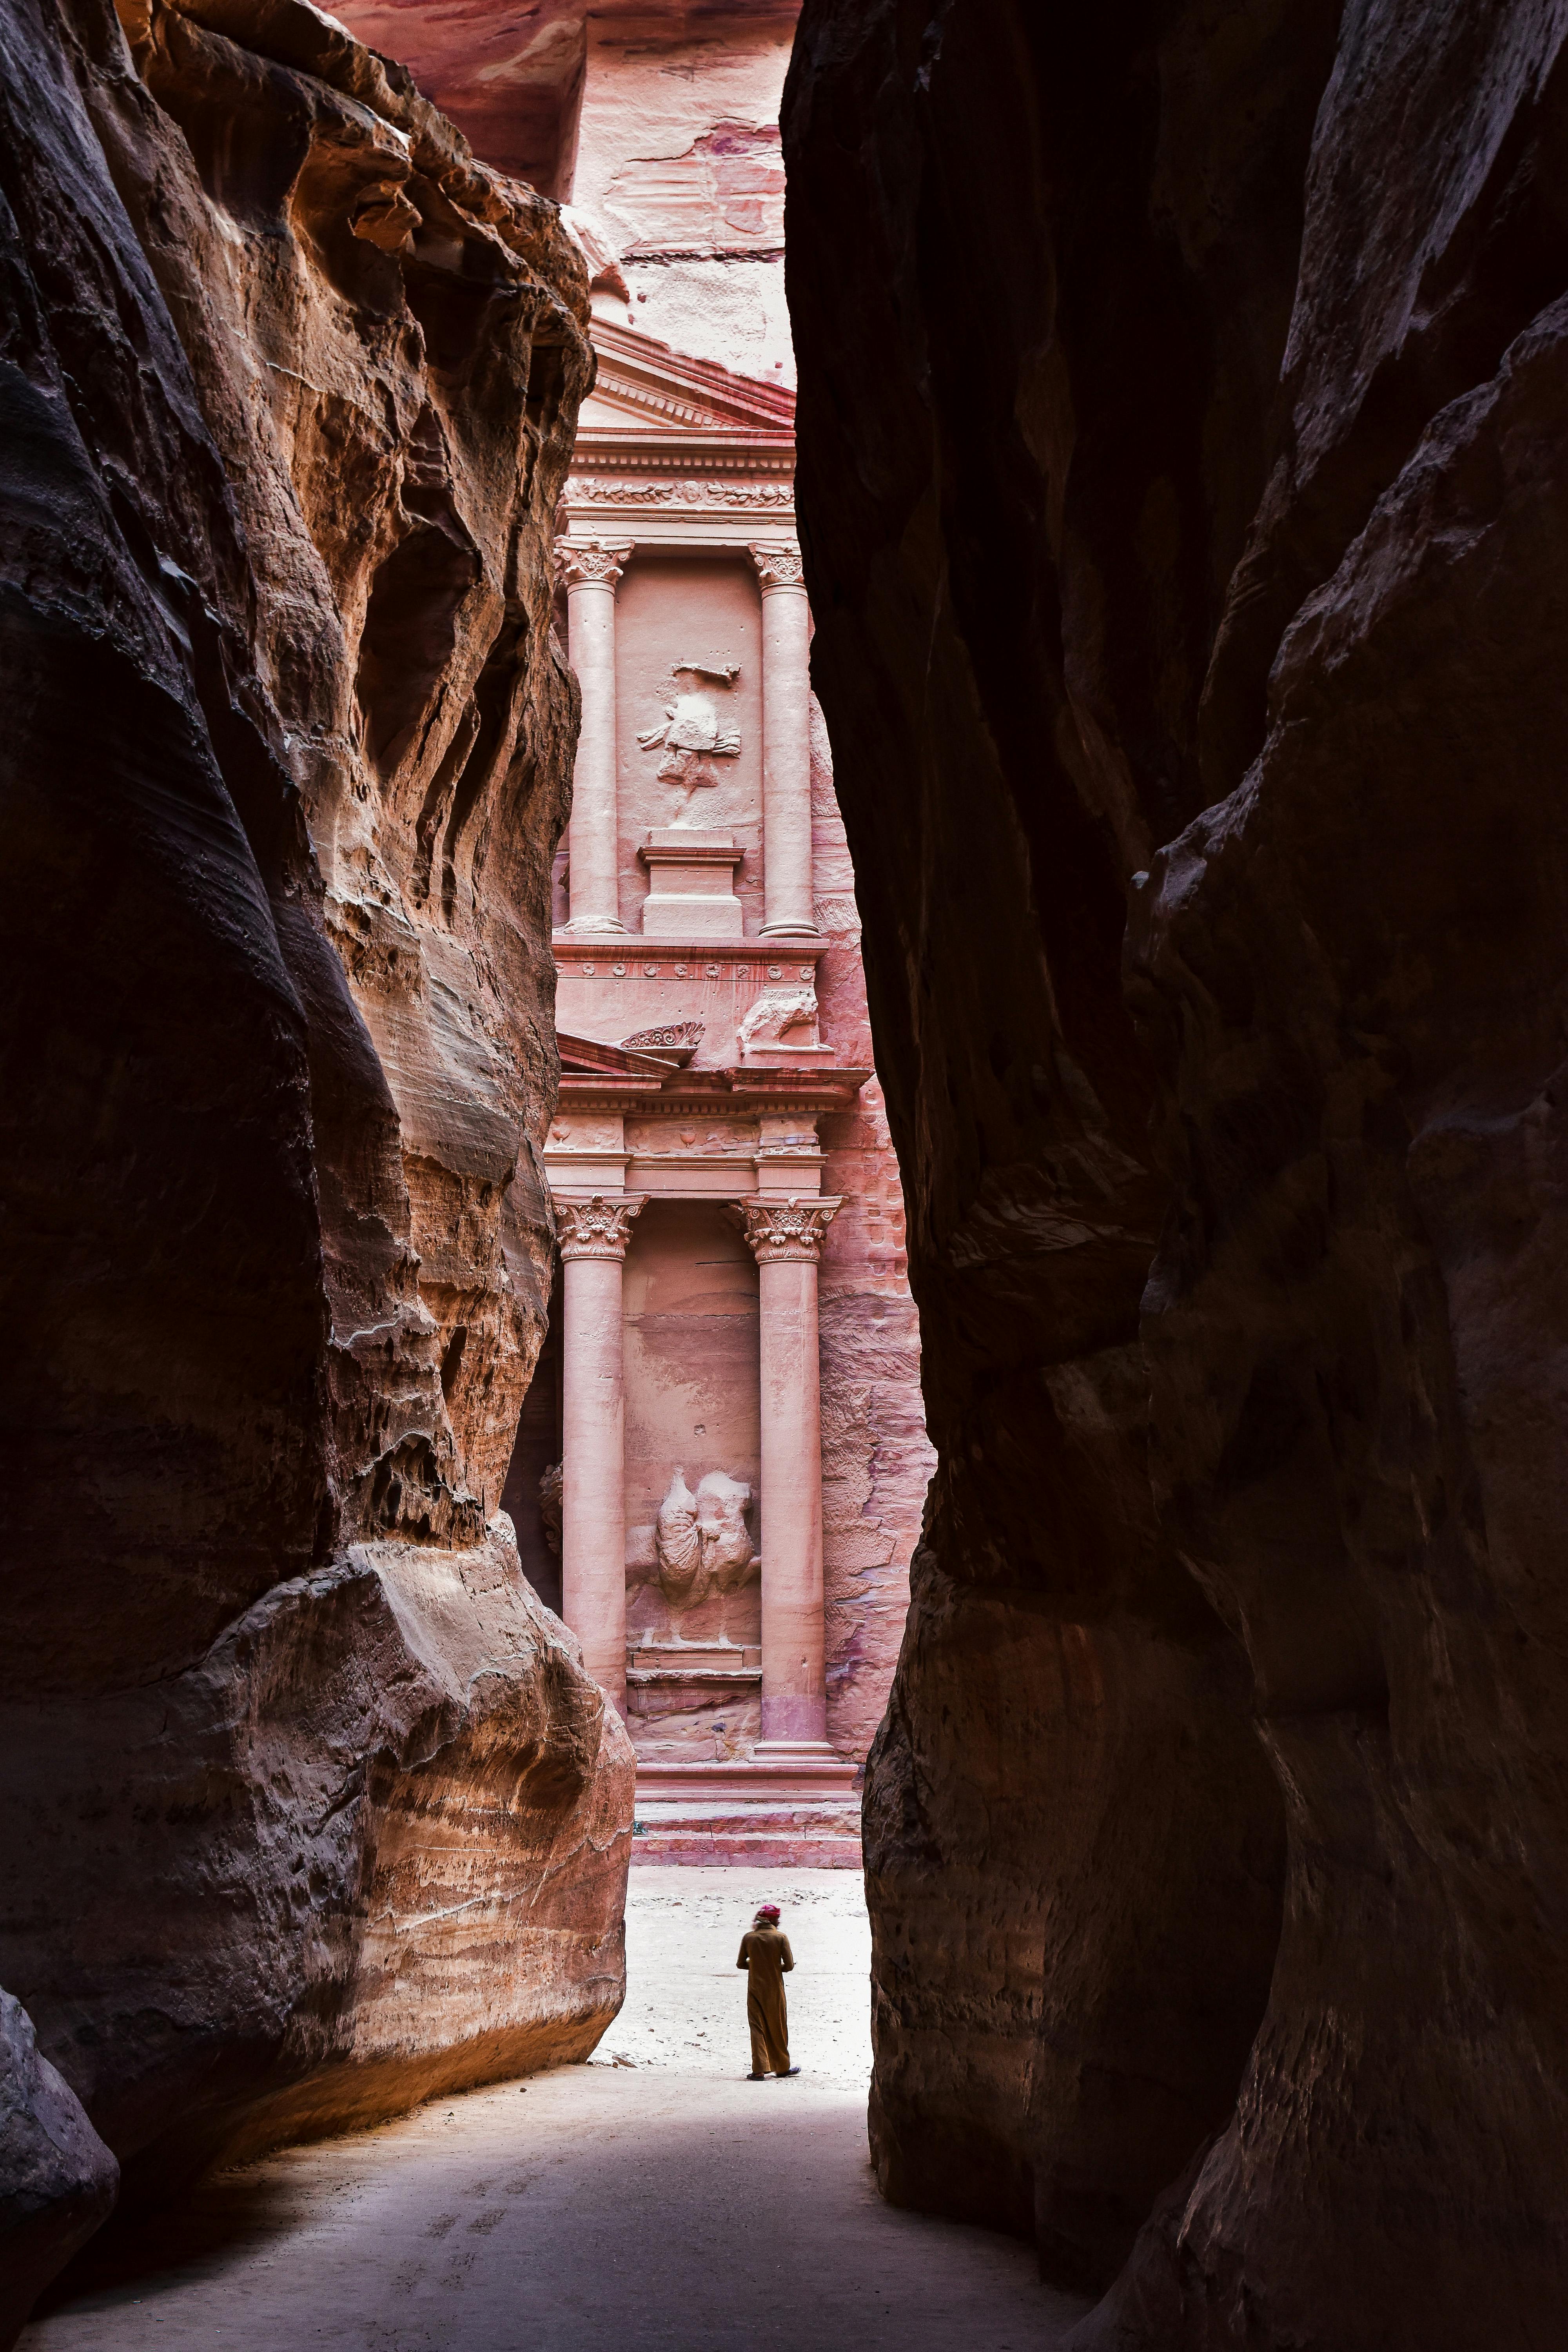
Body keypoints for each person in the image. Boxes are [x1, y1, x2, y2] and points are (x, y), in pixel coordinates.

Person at [736, 1902, 799, 2079]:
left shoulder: (749, 1938)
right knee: (778, 2026)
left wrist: (757, 1966)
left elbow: (741, 1964)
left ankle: (759, 2070)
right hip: (775, 1990)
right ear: (774, 1920)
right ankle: (782, 2068)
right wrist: (773, 1966)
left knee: (757, 2028)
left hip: (755, 1989)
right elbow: (789, 1966)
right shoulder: (781, 1938)